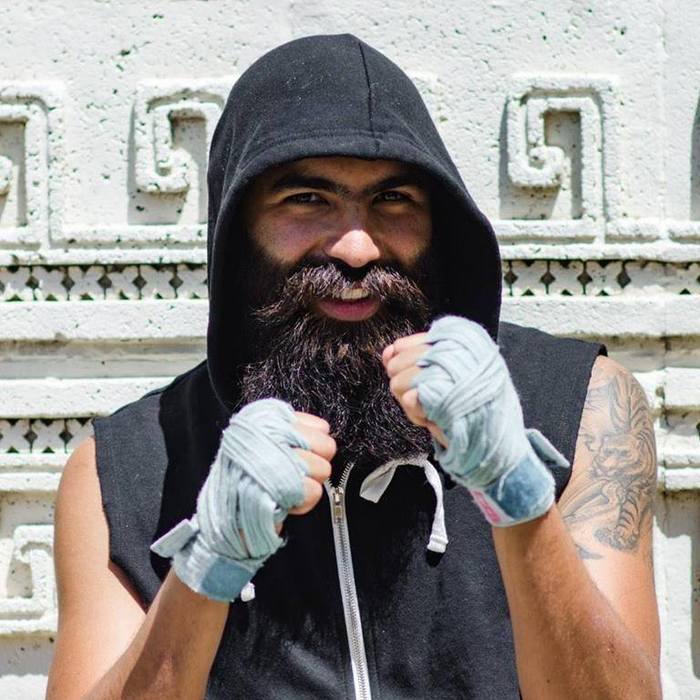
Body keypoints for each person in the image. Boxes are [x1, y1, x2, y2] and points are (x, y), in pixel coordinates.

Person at [47, 34, 661, 699]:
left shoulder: (582, 404)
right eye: (306, 199)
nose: (358, 248)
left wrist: (514, 488)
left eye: (394, 200)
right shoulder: (125, 469)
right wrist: (207, 566)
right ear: (236, 231)